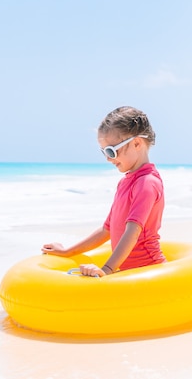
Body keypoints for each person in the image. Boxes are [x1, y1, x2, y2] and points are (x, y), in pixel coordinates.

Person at [41, 106, 166, 277]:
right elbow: (107, 230)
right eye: (104, 152)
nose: (108, 158)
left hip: (149, 271)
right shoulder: (125, 183)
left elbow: (132, 232)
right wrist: (67, 252)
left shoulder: (147, 183)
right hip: (128, 272)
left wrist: (106, 270)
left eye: (111, 151)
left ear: (137, 143)